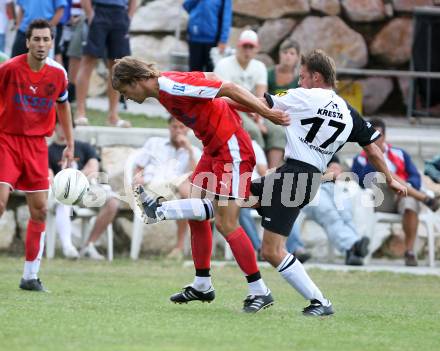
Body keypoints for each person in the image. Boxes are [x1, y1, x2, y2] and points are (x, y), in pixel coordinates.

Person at [138, 50, 409, 317]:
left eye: (302, 77)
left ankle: (319, 301)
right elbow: (373, 149)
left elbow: (259, 103)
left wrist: (217, 98)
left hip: (296, 178)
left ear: (316, 77)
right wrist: (391, 178)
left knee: (272, 250)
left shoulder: (303, 96)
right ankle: (164, 215)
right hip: (298, 176)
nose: (299, 81)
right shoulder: (349, 113)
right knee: (226, 205)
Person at [112, 56, 290, 313]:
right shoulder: (164, 90)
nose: (126, 97)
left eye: (124, 91)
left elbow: (227, 87)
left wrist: (267, 112)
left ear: (136, 80)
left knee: (226, 222)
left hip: (231, 147)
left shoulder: (171, 85)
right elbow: (215, 93)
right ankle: (202, 284)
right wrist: (251, 107)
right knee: (196, 210)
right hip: (213, 148)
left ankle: (259, 290)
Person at [0, 19, 74, 291]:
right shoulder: (8, 69)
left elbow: (64, 106)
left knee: (40, 209)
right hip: (5, 139)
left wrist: (70, 141)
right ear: (27, 42)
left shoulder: (58, 73)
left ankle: (30, 276)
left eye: (46, 39)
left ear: (51, 42)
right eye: (37, 39)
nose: (41, 44)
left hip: (37, 146)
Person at [352, 118, 439, 266]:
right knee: (384, 174)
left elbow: (415, 177)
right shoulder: (360, 159)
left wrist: (405, 188)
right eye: (370, 135)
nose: (374, 139)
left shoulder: (400, 154)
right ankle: (424, 198)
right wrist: (372, 158)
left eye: (377, 135)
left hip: (403, 199)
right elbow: (360, 181)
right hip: (380, 200)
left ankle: (409, 252)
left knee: (410, 201)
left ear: (385, 137)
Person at [133, 117, 202, 259]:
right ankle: (201, 211)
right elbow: (138, 167)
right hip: (153, 186)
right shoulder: (154, 143)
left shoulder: (193, 151)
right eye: (174, 127)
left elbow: (196, 177)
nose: (177, 131)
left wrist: (188, 150)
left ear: (188, 129)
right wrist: (137, 178)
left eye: (181, 127)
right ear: (169, 127)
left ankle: (179, 247)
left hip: (176, 191)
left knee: (185, 189)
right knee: (187, 193)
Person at [49, 125, 119, 260]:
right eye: (60, 125)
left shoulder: (84, 147)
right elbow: (50, 177)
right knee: (62, 200)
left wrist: (72, 177)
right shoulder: (49, 151)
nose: (64, 129)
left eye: (67, 126)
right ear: (54, 127)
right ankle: (68, 247)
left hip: (86, 191)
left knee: (113, 202)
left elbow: (93, 169)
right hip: (63, 192)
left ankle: (89, 245)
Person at [296, 156, 371, 266]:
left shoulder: (332, 155)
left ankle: (353, 250)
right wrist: (325, 175)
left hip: (334, 188)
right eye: (333, 168)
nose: (337, 171)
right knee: (331, 216)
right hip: (313, 190)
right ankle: (353, 247)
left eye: (338, 168)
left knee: (346, 216)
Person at [74, 0, 136, 128]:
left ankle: (113, 115)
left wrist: (128, 17)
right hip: (98, 10)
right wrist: (90, 14)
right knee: (88, 61)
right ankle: (80, 112)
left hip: (120, 13)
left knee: (117, 66)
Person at [214, 30, 268, 150]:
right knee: (254, 131)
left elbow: (261, 96)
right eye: (245, 46)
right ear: (238, 46)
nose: (247, 50)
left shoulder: (260, 67)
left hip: (253, 107)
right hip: (231, 107)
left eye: (251, 46)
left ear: (256, 48)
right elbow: (221, 97)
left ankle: (274, 168)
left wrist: (260, 119)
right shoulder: (223, 64)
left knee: (277, 131)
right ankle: (259, 167)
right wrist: (251, 110)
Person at [264, 39, 301, 168]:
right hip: (268, 114)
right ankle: (271, 171)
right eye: (285, 52)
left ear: (297, 57)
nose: (288, 56)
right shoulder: (269, 73)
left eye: (292, 53)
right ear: (279, 54)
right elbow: (262, 97)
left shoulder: (299, 79)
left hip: (291, 117)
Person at [183, 0, 232, 72]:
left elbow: (226, 17)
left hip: (213, 41)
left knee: (212, 74)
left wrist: (223, 40)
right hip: (195, 38)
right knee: (194, 74)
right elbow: (187, 6)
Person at [239, 140, 268, 254]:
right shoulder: (222, 146)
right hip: (237, 193)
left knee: (283, 205)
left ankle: (295, 248)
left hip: (256, 187)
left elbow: (263, 172)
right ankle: (260, 248)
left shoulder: (253, 145)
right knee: (240, 210)